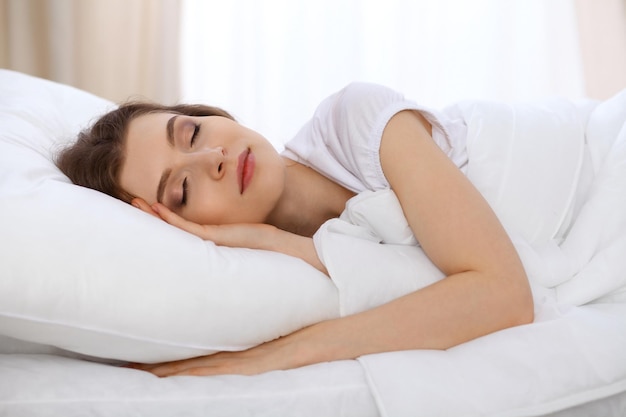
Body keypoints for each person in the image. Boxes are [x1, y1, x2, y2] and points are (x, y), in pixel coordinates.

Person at [56, 82, 534, 376]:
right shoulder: (284, 267)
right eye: (182, 189)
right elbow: (433, 280)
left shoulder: (357, 118)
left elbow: (503, 294)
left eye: (193, 132)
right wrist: (271, 241)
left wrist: (282, 356)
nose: (213, 159)